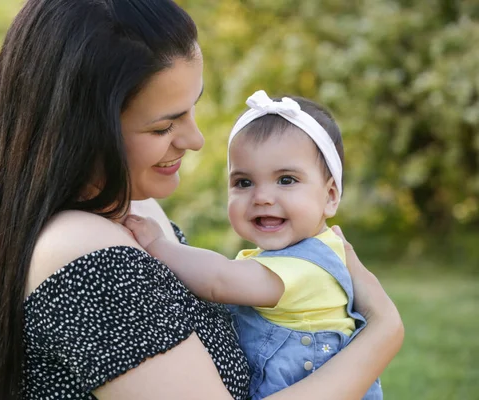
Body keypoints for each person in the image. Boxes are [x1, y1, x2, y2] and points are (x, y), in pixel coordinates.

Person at [0, 1, 404, 399]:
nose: (196, 140)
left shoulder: (135, 210)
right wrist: (383, 333)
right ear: (83, 132)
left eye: (192, 108)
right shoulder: (85, 256)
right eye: (164, 127)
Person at [124, 89, 386, 399]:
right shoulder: (283, 258)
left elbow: (218, 280)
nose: (262, 197)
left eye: (286, 180)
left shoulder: (309, 267)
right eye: (243, 182)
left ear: (330, 196)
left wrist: (158, 244)